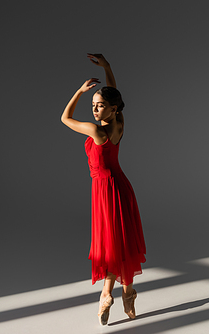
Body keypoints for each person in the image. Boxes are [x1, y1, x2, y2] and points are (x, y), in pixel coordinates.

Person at [61, 53, 146, 325]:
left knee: (111, 244)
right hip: (118, 186)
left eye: (99, 106)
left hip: (106, 191)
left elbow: (65, 118)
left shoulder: (95, 132)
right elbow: (115, 95)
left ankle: (108, 295)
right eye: (93, 105)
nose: (95, 109)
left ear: (112, 109)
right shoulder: (119, 125)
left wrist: (78, 91)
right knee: (119, 242)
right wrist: (108, 68)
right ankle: (128, 292)